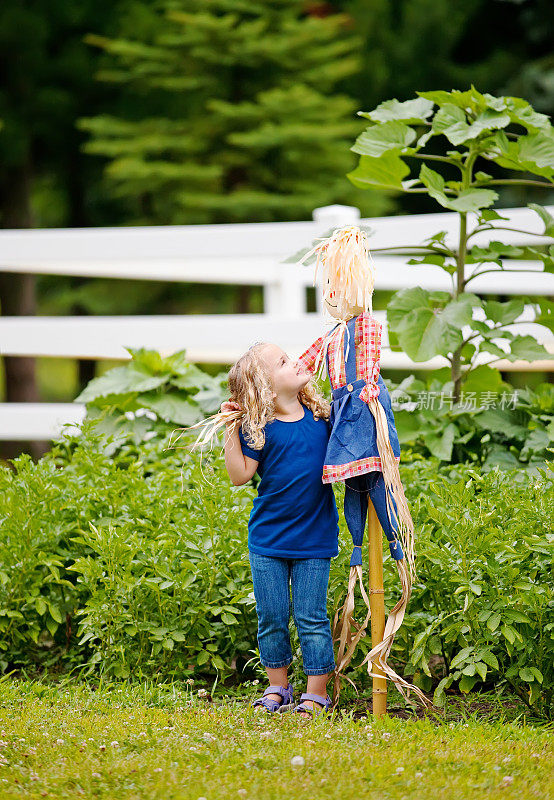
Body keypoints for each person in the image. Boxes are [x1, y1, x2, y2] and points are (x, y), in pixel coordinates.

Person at [218, 342, 340, 717]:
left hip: (314, 539)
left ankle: (315, 693)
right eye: (284, 362)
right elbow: (240, 476)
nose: (298, 360)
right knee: (272, 615)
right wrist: (230, 429)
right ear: (268, 390)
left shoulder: (323, 419)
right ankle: (278, 686)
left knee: (311, 616)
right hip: (268, 540)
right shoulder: (259, 429)